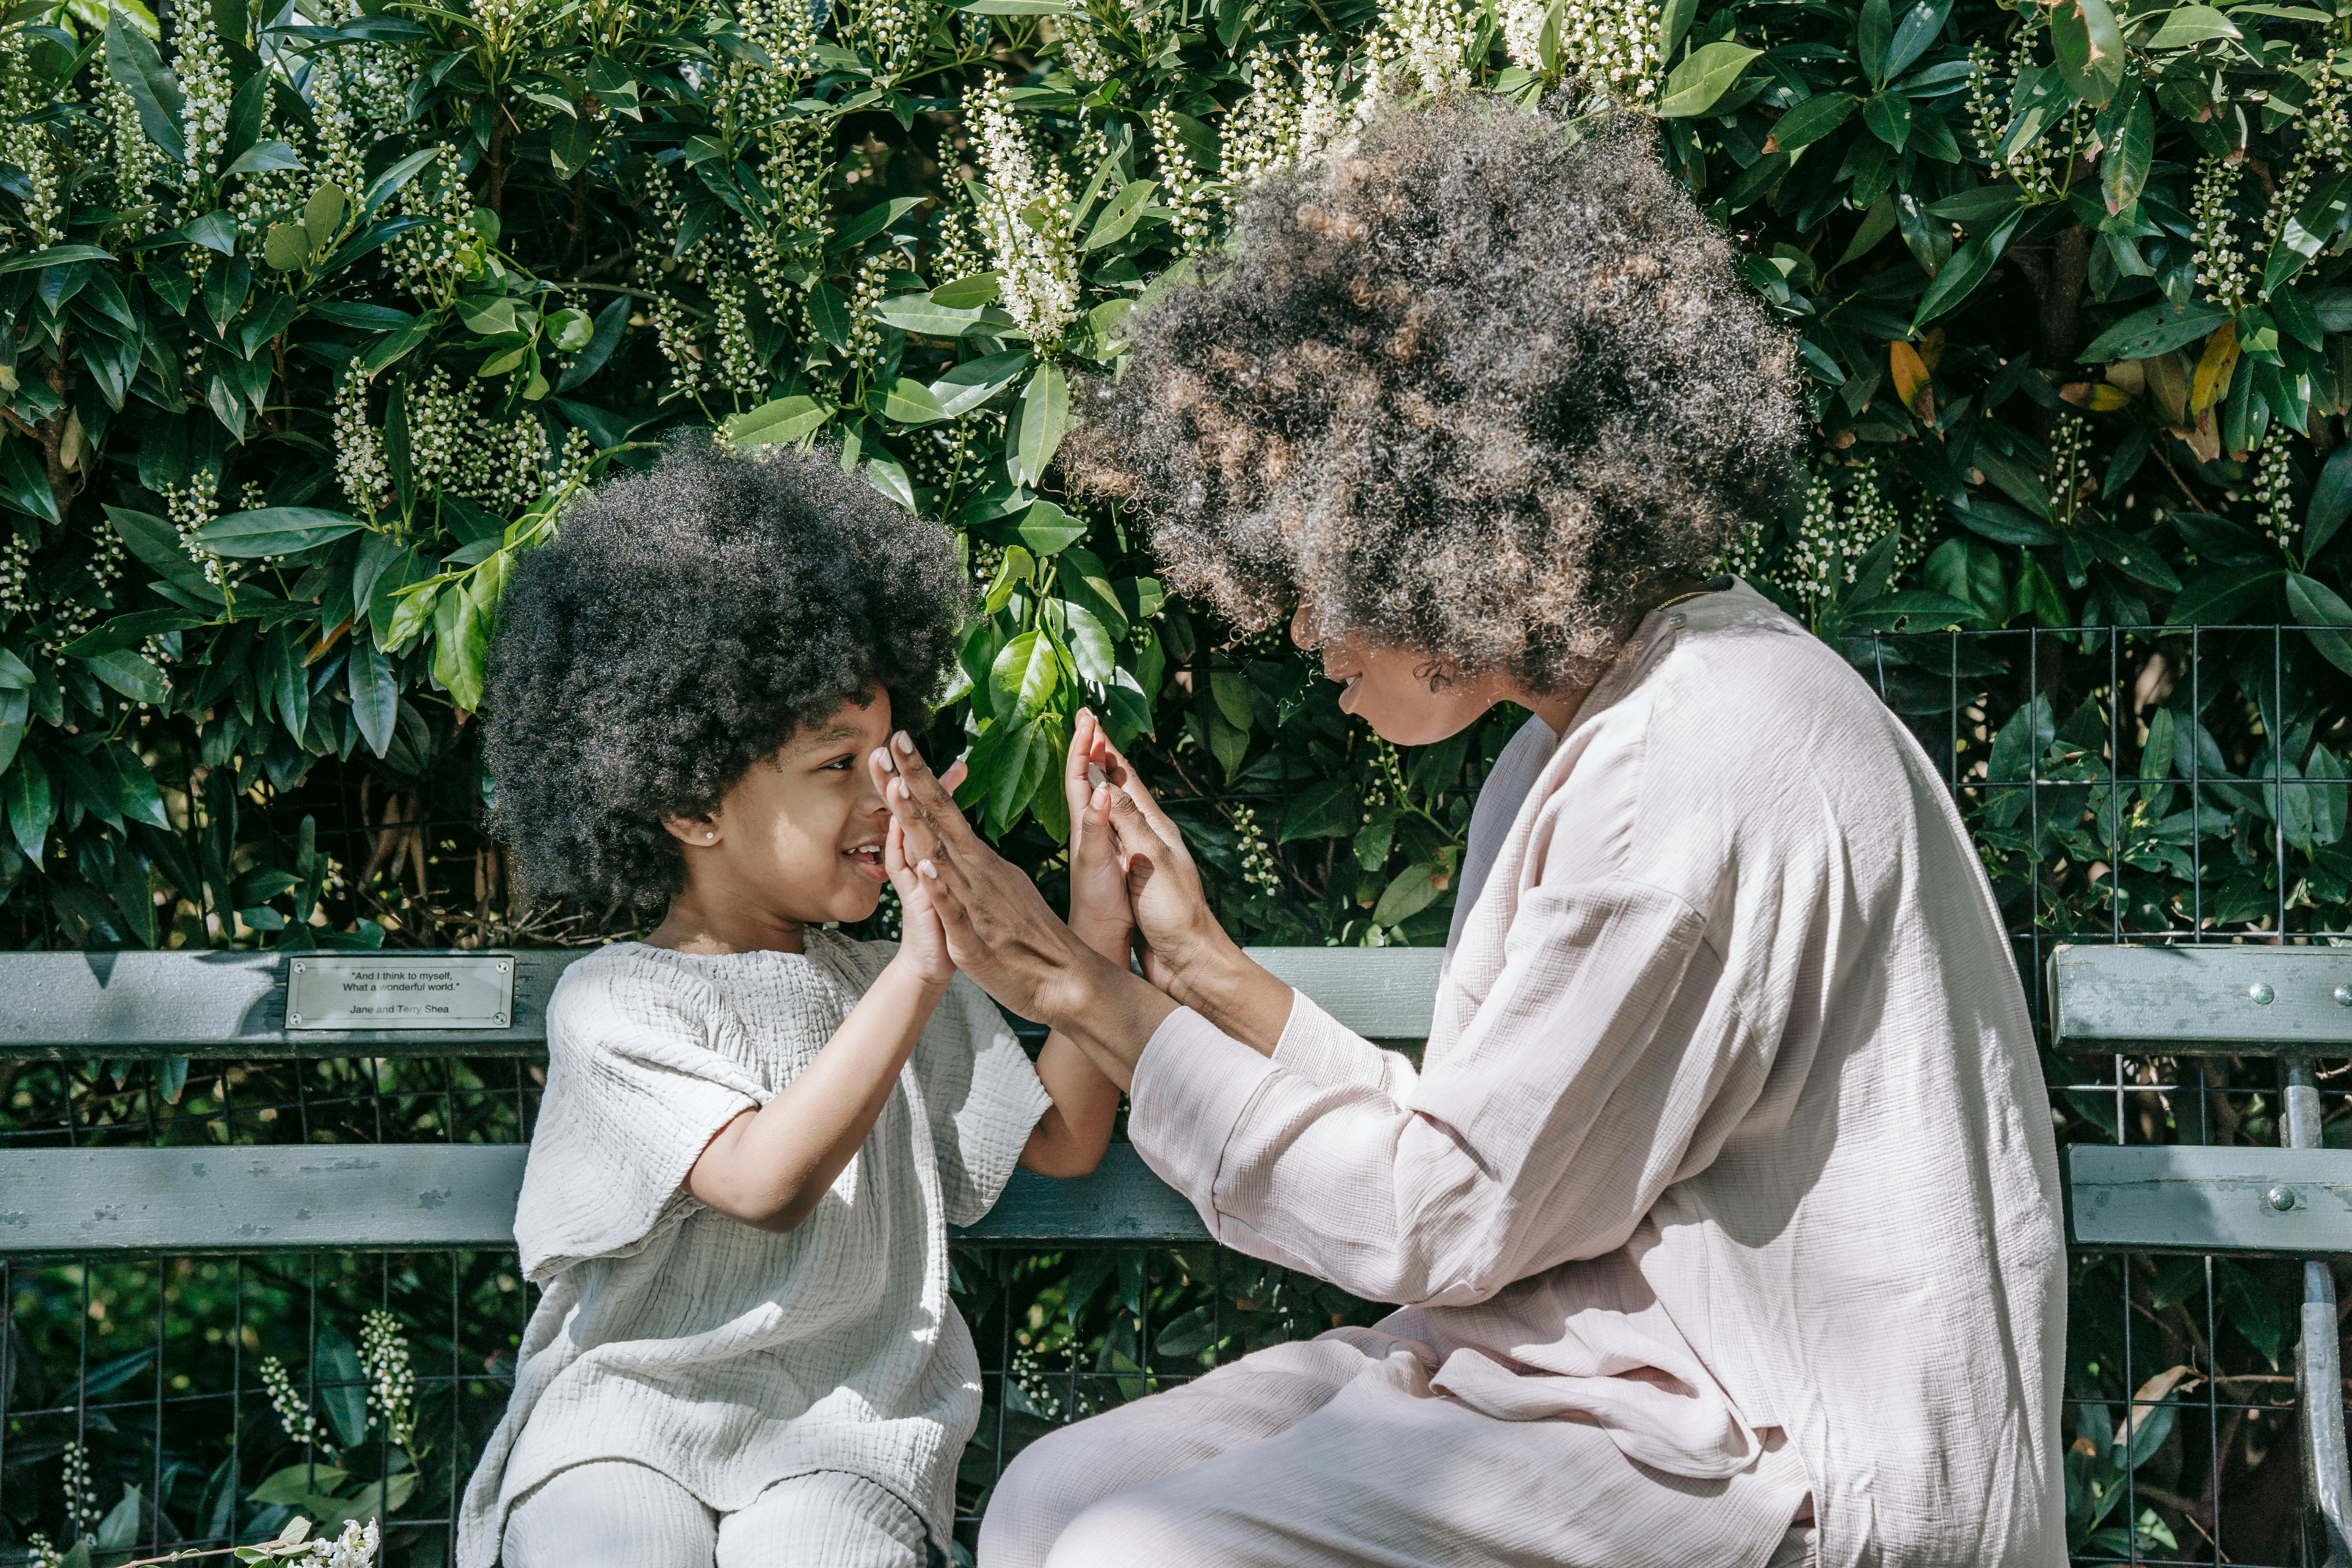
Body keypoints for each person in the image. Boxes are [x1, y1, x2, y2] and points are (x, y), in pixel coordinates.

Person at [872, 100, 2067, 1568]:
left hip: (1777, 1458)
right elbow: (1505, 1148)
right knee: (1056, 1502)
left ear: (1452, 523)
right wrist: (1206, 978)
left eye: (1316, 571)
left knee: (1138, 1555)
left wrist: (1082, 992)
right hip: (1600, 1369)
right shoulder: (1592, 733)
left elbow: (1448, 1219)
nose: (1300, 633)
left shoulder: (1682, 772)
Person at [455, 444, 1125, 1568]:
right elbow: (764, 1183)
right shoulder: (617, 1001)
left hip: (846, 1435)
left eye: (889, 753)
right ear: (687, 801)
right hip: (623, 1423)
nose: (888, 792)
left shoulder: (883, 981)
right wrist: (922, 965)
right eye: (836, 764)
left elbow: (1063, 1138)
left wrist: (1097, 921)